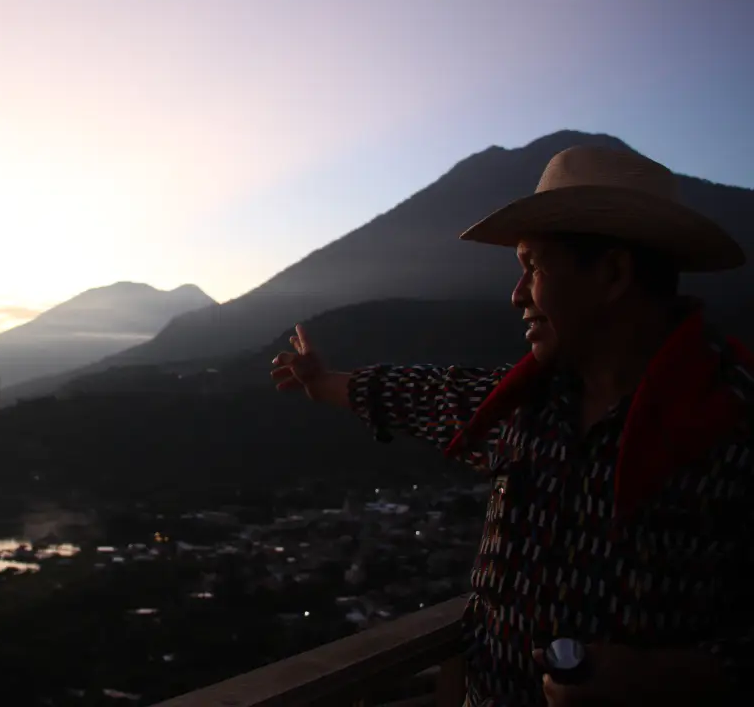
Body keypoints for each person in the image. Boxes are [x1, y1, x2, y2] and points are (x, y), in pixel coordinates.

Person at [271, 145, 754, 706]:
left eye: (533, 267)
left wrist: (660, 680)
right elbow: (420, 395)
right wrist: (322, 382)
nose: (516, 295)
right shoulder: (524, 405)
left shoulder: (732, 427)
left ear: (614, 274)